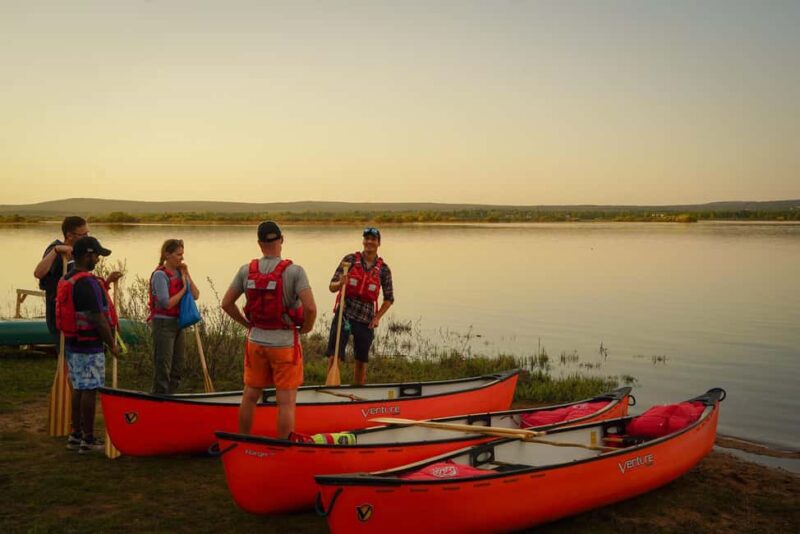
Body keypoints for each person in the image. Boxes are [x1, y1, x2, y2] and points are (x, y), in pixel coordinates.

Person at [221, 221, 316, 438]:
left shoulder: (246, 270)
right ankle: (284, 448)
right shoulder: (295, 272)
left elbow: (226, 303)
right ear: (281, 240)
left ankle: (243, 441)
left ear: (259, 243)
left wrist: (247, 325)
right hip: (284, 345)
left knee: (250, 395)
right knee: (286, 402)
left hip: (255, 342)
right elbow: (310, 307)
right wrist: (307, 329)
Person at [55, 236, 120, 453]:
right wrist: (112, 344)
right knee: (90, 390)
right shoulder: (86, 282)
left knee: (79, 389)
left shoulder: (68, 278)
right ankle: (88, 439)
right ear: (87, 255)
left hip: (73, 344)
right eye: (97, 255)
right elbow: (97, 318)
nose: (98, 260)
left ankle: (76, 435)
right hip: (89, 345)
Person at [33, 216, 122, 346]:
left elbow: (82, 283)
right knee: (66, 356)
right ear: (69, 235)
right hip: (61, 313)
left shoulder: (79, 252)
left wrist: (107, 282)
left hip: (77, 315)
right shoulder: (56, 249)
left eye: (87, 233)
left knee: (74, 356)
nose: (87, 237)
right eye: (83, 234)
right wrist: (56, 250)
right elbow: (38, 273)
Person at [326, 227, 394, 385]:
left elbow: (389, 298)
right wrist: (340, 282)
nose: (369, 242)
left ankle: (358, 391)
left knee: (361, 360)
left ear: (378, 243)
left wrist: (377, 317)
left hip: (366, 318)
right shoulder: (349, 260)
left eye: (373, 239)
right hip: (345, 314)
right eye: (367, 238)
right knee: (334, 356)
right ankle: (330, 391)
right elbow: (331, 286)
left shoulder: (384, 270)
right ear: (363, 241)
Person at [147, 239, 200, 394]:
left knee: (178, 366)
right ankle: (158, 400)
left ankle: (171, 398)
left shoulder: (179, 272)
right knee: (163, 366)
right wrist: (183, 290)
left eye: (182, 254)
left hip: (178, 324)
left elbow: (196, 295)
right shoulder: (160, 275)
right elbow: (167, 304)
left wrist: (187, 274)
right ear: (167, 255)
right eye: (178, 255)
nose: (181, 258)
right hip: (163, 324)